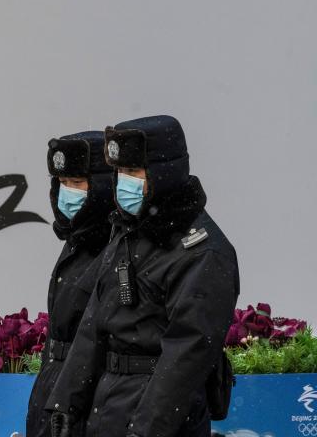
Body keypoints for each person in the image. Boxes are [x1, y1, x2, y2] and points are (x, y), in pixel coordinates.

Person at [46, 115, 239, 437]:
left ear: (164, 172)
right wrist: (65, 404)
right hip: (108, 406)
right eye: (120, 172)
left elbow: (187, 353)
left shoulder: (202, 251)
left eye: (134, 172)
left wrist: (146, 429)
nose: (124, 182)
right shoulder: (130, 234)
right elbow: (94, 326)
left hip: (159, 416)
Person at [25, 132, 115, 437]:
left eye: (78, 183)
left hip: (86, 407)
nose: (68, 193)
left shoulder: (116, 248)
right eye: (63, 183)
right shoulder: (78, 240)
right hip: (54, 397)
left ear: (103, 186)